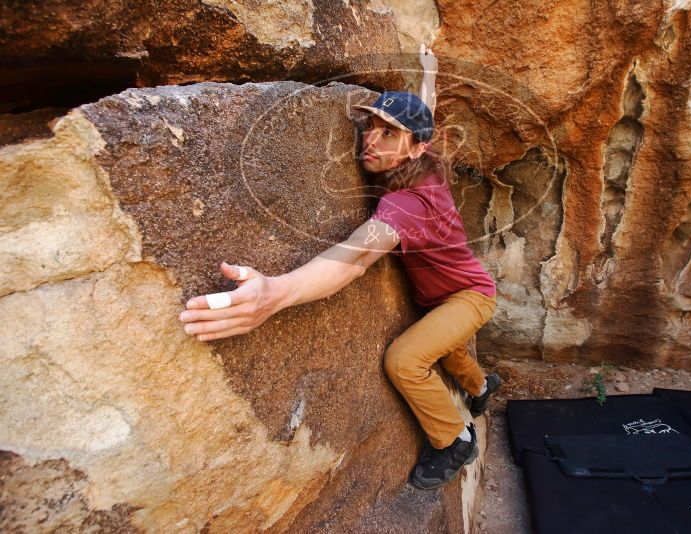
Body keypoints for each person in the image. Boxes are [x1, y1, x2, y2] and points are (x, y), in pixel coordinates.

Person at [178, 45, 501, 490]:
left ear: (414, 148)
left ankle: (454, 439)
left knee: (406, 360)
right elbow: (423, 113)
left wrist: (277, 292)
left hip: (470, 296)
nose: (371, 139)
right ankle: (482, 390)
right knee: (451, 348)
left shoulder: (406, 205)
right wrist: (430, 73)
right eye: (372, 126)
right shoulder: (426, 162)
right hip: (446, 296)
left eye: (389, 135)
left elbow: (354, 257)